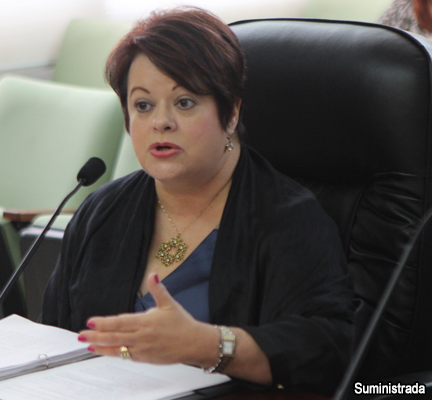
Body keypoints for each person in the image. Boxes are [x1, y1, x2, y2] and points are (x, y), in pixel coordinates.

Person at [41, 6, 354, 396]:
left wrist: (207, 345)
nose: (161, 122)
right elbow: (54, 335)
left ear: (231, 112)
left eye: (184, 102)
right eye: (143, 105)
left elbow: (327, 348)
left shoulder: (288, 220)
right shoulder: (101, 212)